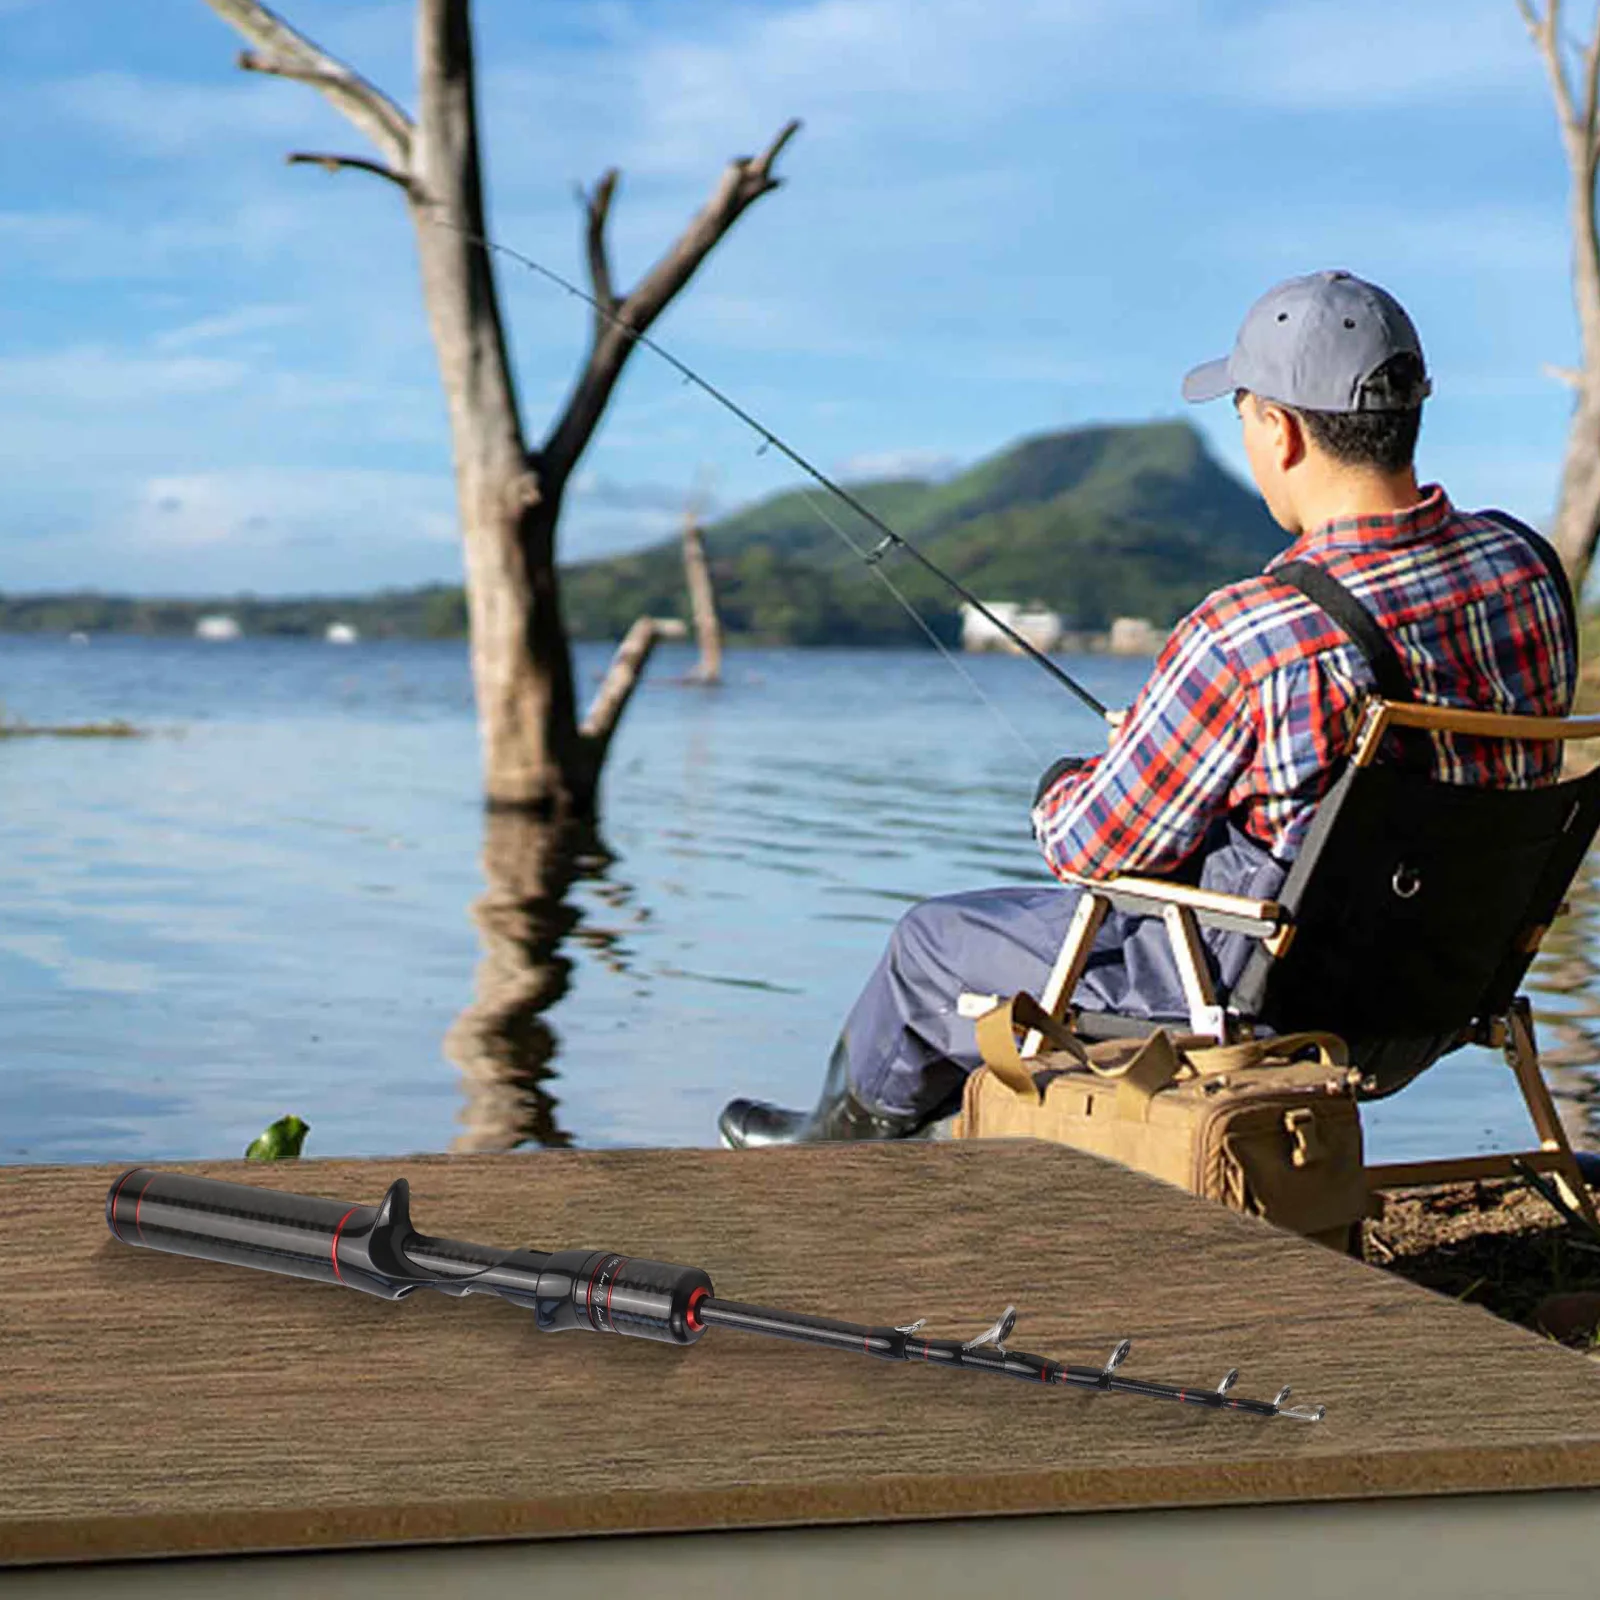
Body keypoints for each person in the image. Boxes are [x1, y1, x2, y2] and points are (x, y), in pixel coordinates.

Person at [717, 269, 1578, 1149]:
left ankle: (835, 1157)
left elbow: (1092, 848)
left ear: (1279, 430)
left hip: (1271, 1009)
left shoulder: (1252, 632)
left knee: (929, 945)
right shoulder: (1526, 567)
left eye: (1242, 414)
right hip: (1450, 990)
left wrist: (1068, 779)